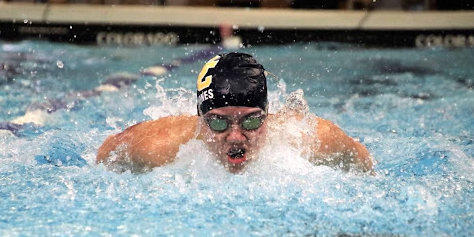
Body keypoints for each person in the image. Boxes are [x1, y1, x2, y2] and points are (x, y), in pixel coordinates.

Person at [96, 52, 373, 174]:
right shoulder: (159, 146)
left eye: (251, 120)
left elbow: (365, 163)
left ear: (267, 113)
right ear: (200, 120)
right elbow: (105, 154)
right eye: (218, 123)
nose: (236, 137)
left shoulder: (313, 139)